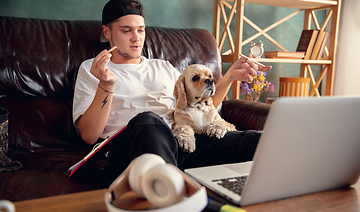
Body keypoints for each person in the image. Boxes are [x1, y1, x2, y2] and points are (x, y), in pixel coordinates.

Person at [72, 0, 272, 176]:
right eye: (127, 30)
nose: (136, 38)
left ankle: (174, 180)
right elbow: (89, 135)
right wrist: (106, 85)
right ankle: (171, 190)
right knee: (148, 120)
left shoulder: (163, 67)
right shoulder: (94, 69)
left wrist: (229, 78)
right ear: (107, 32)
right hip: (135, 147)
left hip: (184, 144)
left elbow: (200, 106)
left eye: (140, 30)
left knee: (262, 141)